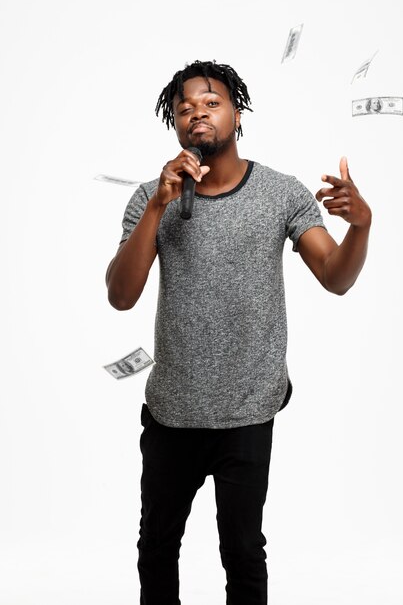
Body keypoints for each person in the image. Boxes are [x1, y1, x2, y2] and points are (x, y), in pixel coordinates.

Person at [105, 60, 372, 605]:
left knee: (244, 551)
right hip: (171, 412)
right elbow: (120, 294)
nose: (196, 113)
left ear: (237, 115)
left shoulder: (280, 193)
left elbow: (335, 278)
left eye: (210, 102)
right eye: (183, 108)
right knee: (156, 546)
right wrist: (159, 203)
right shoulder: (152, 196)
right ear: (175, 124)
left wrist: (361, 227)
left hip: (248, 411)